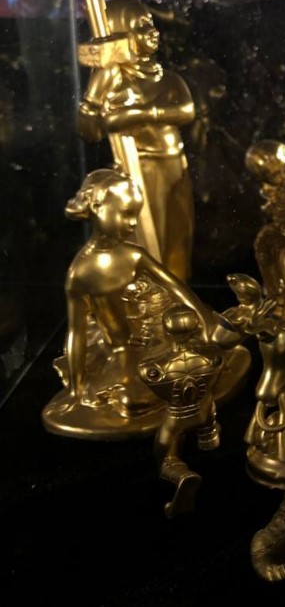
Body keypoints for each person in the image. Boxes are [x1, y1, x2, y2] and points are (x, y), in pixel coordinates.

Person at [45, 168, 238, 438]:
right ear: (98, 208)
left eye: (135, 214)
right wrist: (77, 391)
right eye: (126, 214)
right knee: (135, 399)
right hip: (122, 353)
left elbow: (177, 289)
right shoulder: (81, 273)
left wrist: (205, 325)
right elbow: (76, 333)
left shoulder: (133, 255)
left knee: (214, 352)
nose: (133, 223)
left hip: (159, 337)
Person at [78, 0, 195, 281]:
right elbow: (91, 131)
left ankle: (179, 291)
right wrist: (93, 98)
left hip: (176, 162)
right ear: (122, 36)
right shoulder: (117, 84)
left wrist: (141, 113)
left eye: (151, 24)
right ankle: (155, 294)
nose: (152, 32)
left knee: (182, 231)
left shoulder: (167, 79)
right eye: (141, 26)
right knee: (152, 233)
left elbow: (186, 111)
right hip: (143, 166)